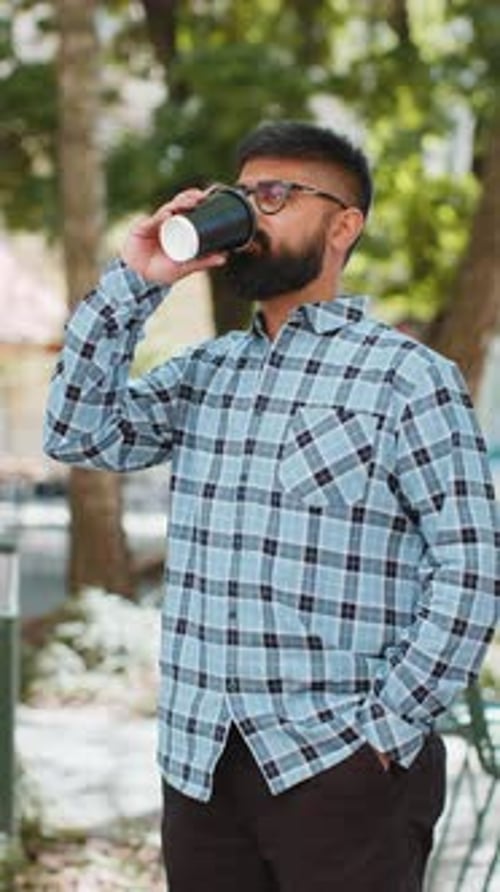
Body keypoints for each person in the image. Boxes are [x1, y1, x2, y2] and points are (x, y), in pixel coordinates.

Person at [44, 120, 498, 891]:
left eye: (276, 194)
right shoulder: (206, 371)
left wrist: (385, 733)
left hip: (341, 771)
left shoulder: (408, 379)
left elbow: (472, 566)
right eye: (242, 194)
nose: (252, 212)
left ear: (343, 225)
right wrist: (137, 280)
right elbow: (77, 431)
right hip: (199, 764)